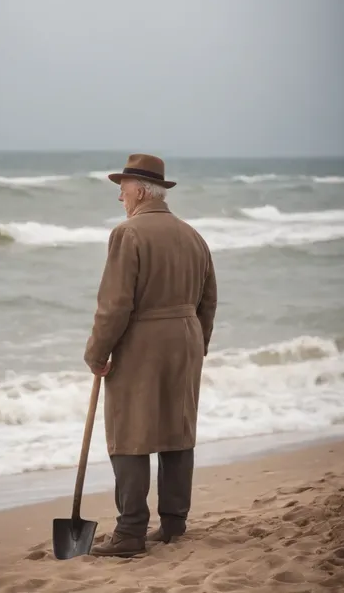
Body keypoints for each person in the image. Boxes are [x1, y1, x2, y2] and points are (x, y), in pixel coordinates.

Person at [84, 153, 217, 558]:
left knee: (130, 433)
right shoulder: (193, 235)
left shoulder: (129, 234)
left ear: (139, 191)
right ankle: (174, 524)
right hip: (186, 338)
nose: (120, 200)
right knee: (177, 431)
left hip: (142, 341)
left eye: (122, 192)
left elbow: (115, 304)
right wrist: (198, 346)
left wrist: (97, 352)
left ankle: (130, 533)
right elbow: (208, 301)